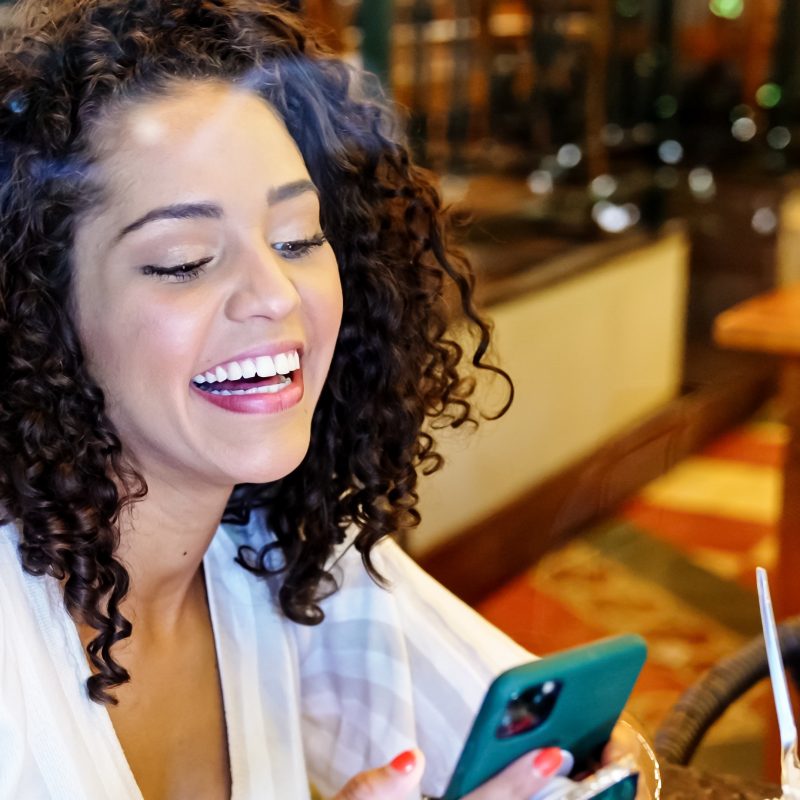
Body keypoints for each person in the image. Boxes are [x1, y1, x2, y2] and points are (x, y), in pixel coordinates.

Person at [0, 2, 653, 798]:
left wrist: (597, 766)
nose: (275, 294)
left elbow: (585, 751)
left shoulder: (279, 547)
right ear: (35, 314)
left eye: (298, 239)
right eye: (185, 260)